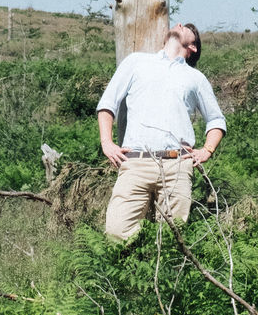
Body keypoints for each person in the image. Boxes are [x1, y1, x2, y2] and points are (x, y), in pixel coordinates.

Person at [96, 22, 227, 239]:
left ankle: (158, 262)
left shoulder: (195, 78)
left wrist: (207, 150)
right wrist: (107, 143)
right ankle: (135, 261)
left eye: (186, 27)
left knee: (171, 238)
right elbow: (107, 104)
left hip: (177, 165)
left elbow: (216, 120)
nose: (179, 24)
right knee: (116, 231)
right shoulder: (136, 61)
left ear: (193, 47)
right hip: (135, 162)